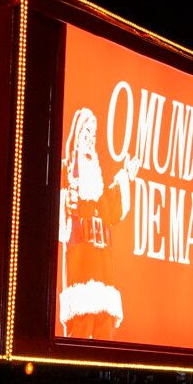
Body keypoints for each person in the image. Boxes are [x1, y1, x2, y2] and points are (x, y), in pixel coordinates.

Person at [58, 107, 132, 339]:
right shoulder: (67, 171)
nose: (90, 138)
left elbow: (112, 211)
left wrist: (126, 176)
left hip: (103, 265)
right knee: (82, 323)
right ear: (77, 135)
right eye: (86, 132)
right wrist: (66, 202)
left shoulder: (97, 180)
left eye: (94, 134)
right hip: (81, 261)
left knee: (104, 326)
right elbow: (59, 213)